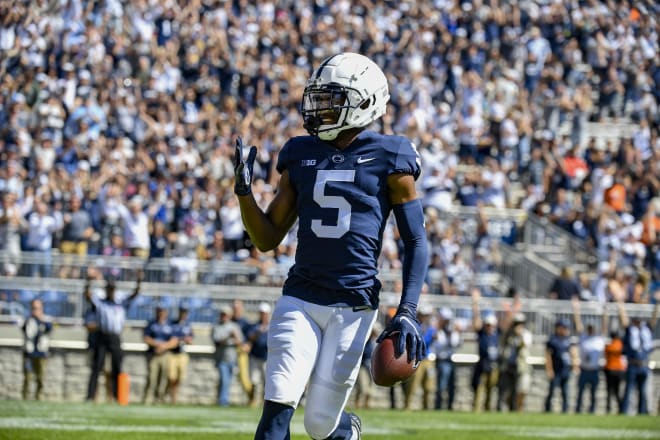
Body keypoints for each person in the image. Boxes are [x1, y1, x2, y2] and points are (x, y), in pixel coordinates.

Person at [233, 52, 427, 439]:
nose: (320, 108)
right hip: (300, 297)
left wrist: (407, 310)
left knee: (320, 425)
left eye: (332, 99)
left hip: (353, 306)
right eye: (319, 98)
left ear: (365, 101)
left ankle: (345, 430)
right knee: (275, 413)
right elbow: (268, 238)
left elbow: (416, 241)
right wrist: (244, 193)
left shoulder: (390, 156)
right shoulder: (300, 153)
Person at [84, 270, 142, 402]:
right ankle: (90, 396)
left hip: (115, 337)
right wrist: (88, 282)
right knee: (97, 367)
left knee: (117, 367)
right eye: (109, 289)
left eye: (112, 289)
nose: (110, 291)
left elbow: (134, 295)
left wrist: (139, 281)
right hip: (102, 336)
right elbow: (87, 296)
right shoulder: (101, 303)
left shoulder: (120, 302)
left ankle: (118, 396)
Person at [615, 290, 658, 415]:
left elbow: (654, 320)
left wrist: (657, 304)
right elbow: (623, 320)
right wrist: (620, 304)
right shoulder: (630, 330)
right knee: (628, 389)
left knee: (643, 391)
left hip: (644, 364)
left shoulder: (646, 329)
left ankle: (642, 412)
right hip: (633, 364)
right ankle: (624, 412)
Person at [571, 297, 605, 414]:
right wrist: (576, 309)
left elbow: (605, 325)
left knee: (593, 393)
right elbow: (578, 324)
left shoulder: (598, 339)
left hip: (594, 370)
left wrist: (605, 311)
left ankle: (592, 410)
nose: (590, 330)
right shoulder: (583, 337)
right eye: (589, 328)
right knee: (580, 391)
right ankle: (578, 410)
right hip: (584, 369)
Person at [471, 289, 500, 412]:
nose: (489, 327)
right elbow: (476, 322)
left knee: (491, 389)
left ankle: (488, 409)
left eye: (490, 325)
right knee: (479, 388)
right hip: (482, 364)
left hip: (493, 365)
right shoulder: (482, 333)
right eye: (487, 325)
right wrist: (475, 304)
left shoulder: (497, 334)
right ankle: (476, 409)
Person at [403, 304, 437, 410]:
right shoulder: (415, 326)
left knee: (429, 386)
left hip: (427, 359)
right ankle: (407, 406)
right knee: (413, 384)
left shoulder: (431, 328)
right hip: (416, 358)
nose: (426, 317)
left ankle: (426, 407)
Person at [142, 305, 178, 405]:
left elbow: (174, 341)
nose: (161, 313)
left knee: (163, 378)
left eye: (163, 311)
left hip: (165, 354)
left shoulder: (170, 324)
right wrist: (156, 345)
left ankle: (159, 399)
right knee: (151, 377)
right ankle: (147, 399)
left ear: (166, 312)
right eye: (159, 311)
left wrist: (164, 346)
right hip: (153, 354)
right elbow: (146, 338)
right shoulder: (151, 324)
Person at [497, 312, 532, 412]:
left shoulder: (526, 334)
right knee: (506, 389)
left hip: (521, 366)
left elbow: (525, 345)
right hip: (508, 365)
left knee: (519, 390)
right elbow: (503, 347)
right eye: (516, 323)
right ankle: (503, 408)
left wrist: (520, 335)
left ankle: (516, 409)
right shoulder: (508, 334)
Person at [544, 318, 578, 413]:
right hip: (556, 369)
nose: (565, 330)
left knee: (565, 392)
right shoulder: (552, 340)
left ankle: (565, 410)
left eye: (566, 328)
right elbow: (548, 356)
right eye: (563, 327)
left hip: (565, 369)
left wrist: (575, 366)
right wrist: (549, 369)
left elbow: (573, 353)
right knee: (551, 391)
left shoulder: (569, 340)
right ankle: (547, 409)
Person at [212, 305, 243, 406]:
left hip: (232, 358)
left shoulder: (234, 326)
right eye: (222, 314)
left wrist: (235, 337)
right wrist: (228, 337)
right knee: (224, 380)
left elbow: (240, 342)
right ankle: (223, 401)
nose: (223, 316)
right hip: (221, 358)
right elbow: (217, 342)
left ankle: (220, 398)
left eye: (225, 314)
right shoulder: (216, 327)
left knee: (227, 381)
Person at [22, 299, 53, 400]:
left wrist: (41, 319)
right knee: (28, 377)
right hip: (29, 353)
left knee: (41, 378)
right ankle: (25, 397)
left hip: (41, 352)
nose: (36, 310)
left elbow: (50, 329)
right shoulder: (28, 320)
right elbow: (25, 330)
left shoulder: (46, 319)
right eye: (34, 308)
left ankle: (39, 397)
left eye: (38, 308)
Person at [432, 307, 461, 411]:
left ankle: (449, 406)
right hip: (442, 360)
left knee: (451, 385)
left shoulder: (451, 331)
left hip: (450, 360)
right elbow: (440, 345)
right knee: (441, 386)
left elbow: (456, 344)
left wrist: (455, 332)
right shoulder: (438, 331)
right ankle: (438, 406)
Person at [168, 305, 194, 404]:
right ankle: (172, 395)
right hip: (172, 353)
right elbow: (170, 338)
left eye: (185, 313)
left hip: (182, 353)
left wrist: (186, 340)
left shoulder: (188, 325)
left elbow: (191, 340)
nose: (183, 315)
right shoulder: (172, 324)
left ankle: (174, 396)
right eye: (182, 312)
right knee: (171, 376)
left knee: (180, 376)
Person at [248, 302, 271, 408]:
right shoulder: (255, 326)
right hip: (255, 356)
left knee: (266, 381)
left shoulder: (272, 326)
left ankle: (264, 401)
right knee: (254, 380)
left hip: (266, 357)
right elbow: (250, 338)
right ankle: (252, 400)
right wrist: (258, 332)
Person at [231, 299, 254, 402]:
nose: (236, 310)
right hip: (230, 351)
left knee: (244, 377)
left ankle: (251, 398)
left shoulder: (245, 322)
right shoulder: (229, 321)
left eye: (238, 308)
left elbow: (251, 338)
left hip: (241, 352)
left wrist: (247, 344)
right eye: (234, 308)